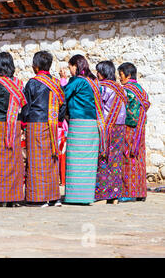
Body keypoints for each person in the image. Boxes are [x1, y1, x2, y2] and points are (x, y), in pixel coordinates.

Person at [20, 51, 65, 208]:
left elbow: (26, 105)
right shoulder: (56, 83)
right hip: (51, 124)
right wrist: (58, 121)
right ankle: (54, 197)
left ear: (36, 66)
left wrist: (23, 123)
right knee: (52, 159)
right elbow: (63, 104)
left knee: (37, 159)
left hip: (36, 124)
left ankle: (39, 198)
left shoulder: (33, 83)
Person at [62, 54, 105, 205]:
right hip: (92, 125)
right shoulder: (92, 81)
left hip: (79, 124)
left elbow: (63, 95)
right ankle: (87, 196)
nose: (70, 70)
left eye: (70, 67)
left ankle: (75, 196)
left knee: (75, 161)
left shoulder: (77, 81)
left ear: (76, 66)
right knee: (88, 162)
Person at [0, 52, 26, 207]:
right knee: (13, 160)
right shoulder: (18, 83)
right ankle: (14, 197)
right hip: (14, 125)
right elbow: (23, 107)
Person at [94, 61, 127, 204]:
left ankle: (103, 194)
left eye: (98, 71)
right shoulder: (121, 89)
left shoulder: (103, 88)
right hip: (120, 127)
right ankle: (114, 195)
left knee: (103, 157)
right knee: (116, 160)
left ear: (102, 73)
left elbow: (98, 106)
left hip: (107, 127)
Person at [117, 62, 150, 203]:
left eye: (121, 75)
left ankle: (129, 192)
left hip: (130, 128)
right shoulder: (141, 89)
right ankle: (141, 192)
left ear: (128, 74)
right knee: (139, 158)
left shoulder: (126, 90)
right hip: (140, 128)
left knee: (128, 157)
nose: (120, 78)